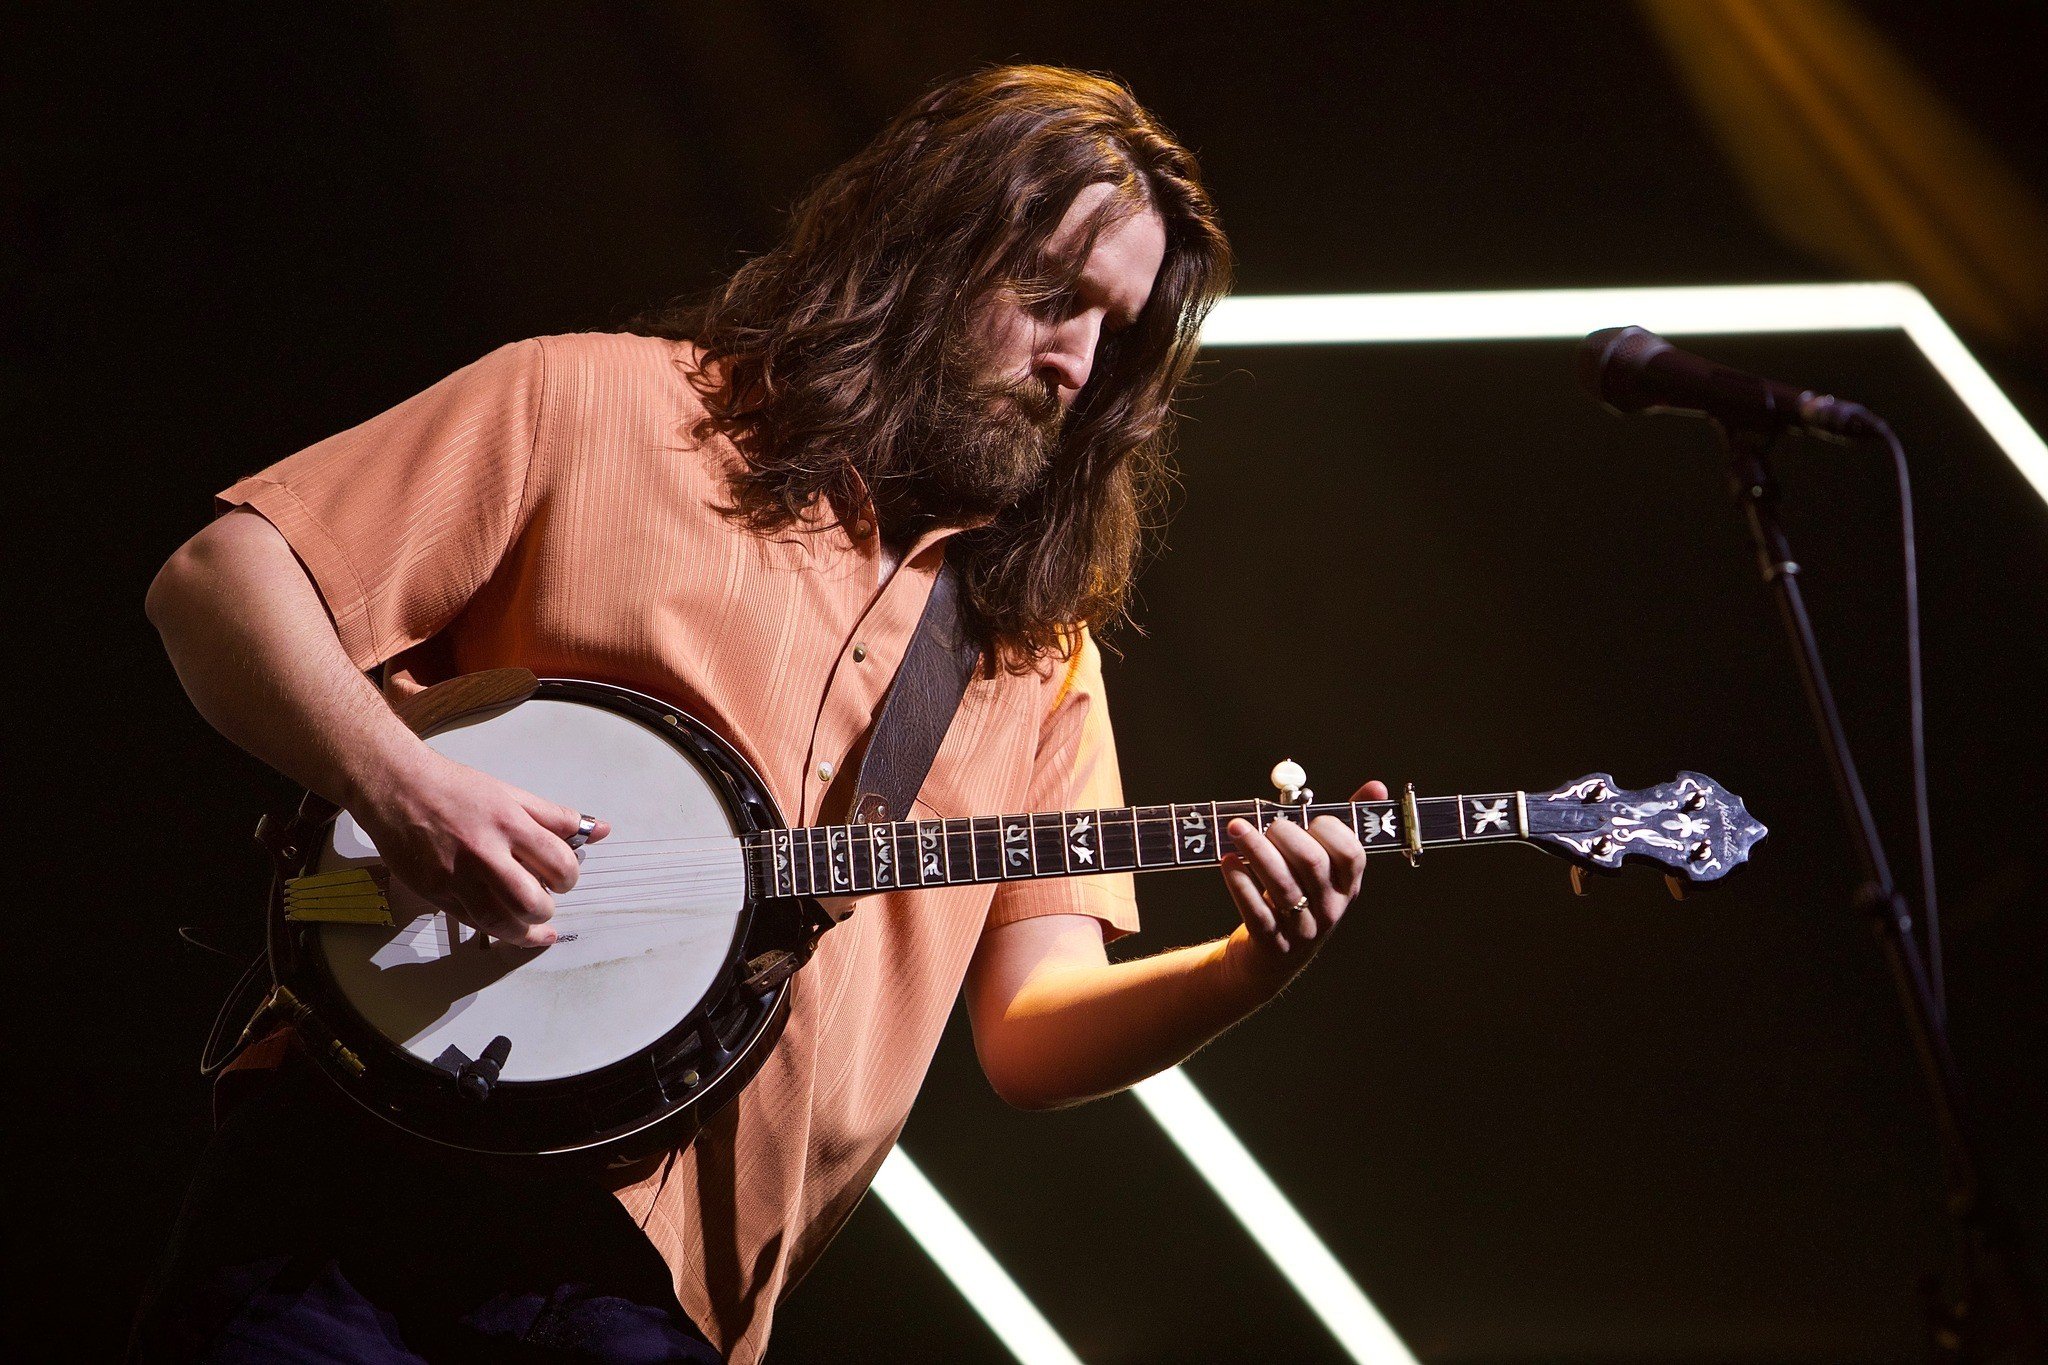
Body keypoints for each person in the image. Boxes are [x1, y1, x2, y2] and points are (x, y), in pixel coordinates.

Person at [137, 64, 1385, 1364]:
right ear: (929, 244)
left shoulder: (1031, 652)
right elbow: (218, 583)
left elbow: (1031, 1031)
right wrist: (401, 781)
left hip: (663, 1304)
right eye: (1053, 298)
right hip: (361, 1177)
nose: (1078, 361)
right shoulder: (594, 403)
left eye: (1114, 335)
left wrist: (1249, 966)